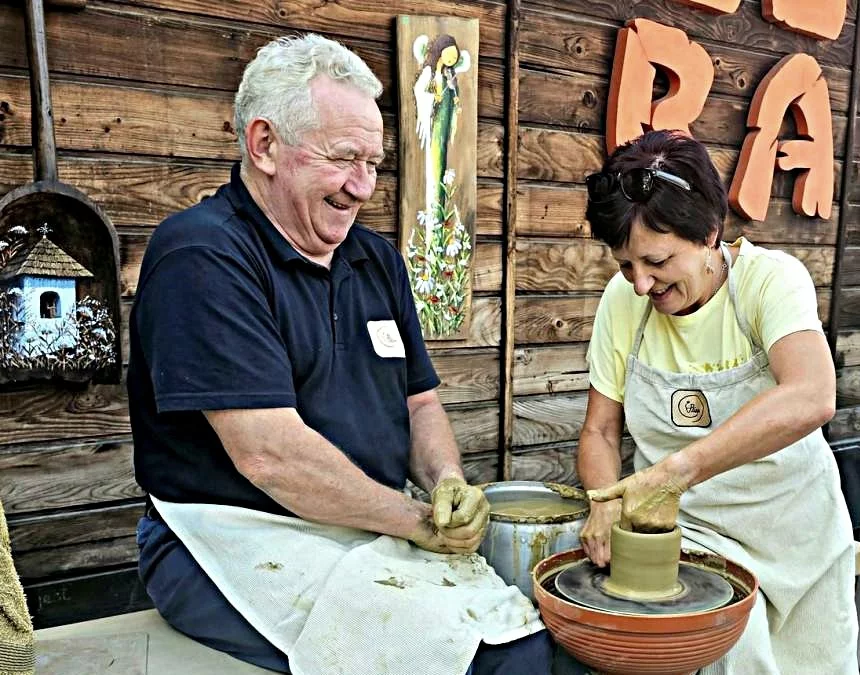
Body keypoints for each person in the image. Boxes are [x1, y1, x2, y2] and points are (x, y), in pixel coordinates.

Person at [127, 34, 550, 674]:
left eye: (374, 163)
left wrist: (448, 484)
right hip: (228, 538)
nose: (362, 187)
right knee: (482, 658)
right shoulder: (203, 256)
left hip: (368, 522)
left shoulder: (375, 260)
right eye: (343, 158)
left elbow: (420, 400)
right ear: (263, 145)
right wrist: (413, 519)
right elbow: (269, 455)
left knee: (530, 630)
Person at [577, 130, 858, 673]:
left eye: (656, 261)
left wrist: (676, 472)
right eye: (624, 266)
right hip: (693, 541)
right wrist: (603, 500)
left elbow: (812, 394)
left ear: (709, 233)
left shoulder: (769, 282)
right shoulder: (624, 303)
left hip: (798, 535)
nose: (640, 284)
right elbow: (601, 432)